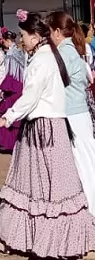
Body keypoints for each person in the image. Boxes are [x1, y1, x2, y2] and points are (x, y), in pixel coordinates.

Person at [0, 10, 95, 256]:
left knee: (33, 186)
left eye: (24, 35)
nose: (22, 39)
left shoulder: (44, 59)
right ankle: (22, 237)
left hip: (43, 130)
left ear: (35, 36)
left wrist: (6, 118)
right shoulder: (52, 56)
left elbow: (29, 98)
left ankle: (22, 238)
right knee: (48, 188)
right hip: (52, 128)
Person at [49, 11, 95, 215]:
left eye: (49, 32)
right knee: (86, 162)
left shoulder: (65, 54)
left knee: (84, 165)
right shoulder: (73, 51)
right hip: (79, 114)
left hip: (73, 115)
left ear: (57, 32)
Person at [0, 29, 24, 153]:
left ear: (7, 41)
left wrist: (5, 87)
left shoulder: (10, 54)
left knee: (7, 112)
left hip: (13, 86)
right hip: (20, 85)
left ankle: (8, 143)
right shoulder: (20, 52)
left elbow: (10, 74)